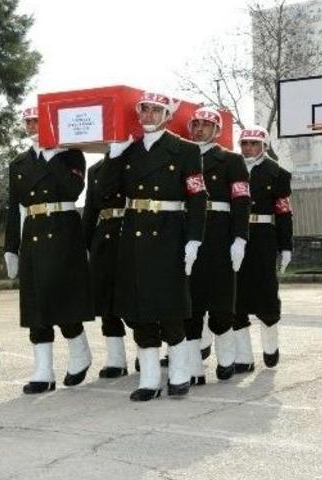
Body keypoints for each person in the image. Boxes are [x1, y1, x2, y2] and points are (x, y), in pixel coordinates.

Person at [94, 91, 207, 401]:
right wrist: (113, 156)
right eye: (144, 109)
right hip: (133, 235)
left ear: (167, 115)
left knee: (170, 307)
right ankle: (149, 377)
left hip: (169, 233)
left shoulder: (184, 150)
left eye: (156, 110)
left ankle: (180, 372)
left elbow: (197, 197)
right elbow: (104, 192)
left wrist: (194, 239)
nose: (149, 115)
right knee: (139, 307)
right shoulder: (127, 150)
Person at [5, 106, 93, 394]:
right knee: (35, 306)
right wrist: (10, 248)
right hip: (33, 234)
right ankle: (43, 371)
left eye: (37, 121)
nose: (32, 126)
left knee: (65, 301)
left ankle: (80, 352)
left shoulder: (71, 154)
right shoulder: (19, 162)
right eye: (28, 121)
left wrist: (53, 154)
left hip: (64, 232)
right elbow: (16, 208)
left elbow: (72, 189)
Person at [186, 107, 251, 383]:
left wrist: (240, 238)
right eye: (196, 124)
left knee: (222, 302)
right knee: (191, 303)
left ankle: (226, 357)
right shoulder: (183, 157)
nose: (199, 129)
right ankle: (193, 367)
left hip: (219, 235)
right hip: (189, 233)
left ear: (217, 130)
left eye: (206, 125)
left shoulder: (231, 160)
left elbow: (241, 200)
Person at [234, 126, 293, 372]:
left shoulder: (277, 173)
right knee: (235, 297)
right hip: (236, 237)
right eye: (244, 143)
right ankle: (243, 357)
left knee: (266, 293)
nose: (248, 148)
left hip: (263, 237)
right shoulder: (232, 168)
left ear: (264, 146)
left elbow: (283, 212)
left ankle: (270, 346)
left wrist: (286, 245)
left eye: (253, 144)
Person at [82, 154, 129, 379]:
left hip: (132, 232)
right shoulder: (96, 169)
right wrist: (85, 243)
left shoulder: (137, 159)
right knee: (105, 299)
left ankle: (147, 350)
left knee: (135, 295)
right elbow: (91, 208)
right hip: (105, 235)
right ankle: (116, 359)